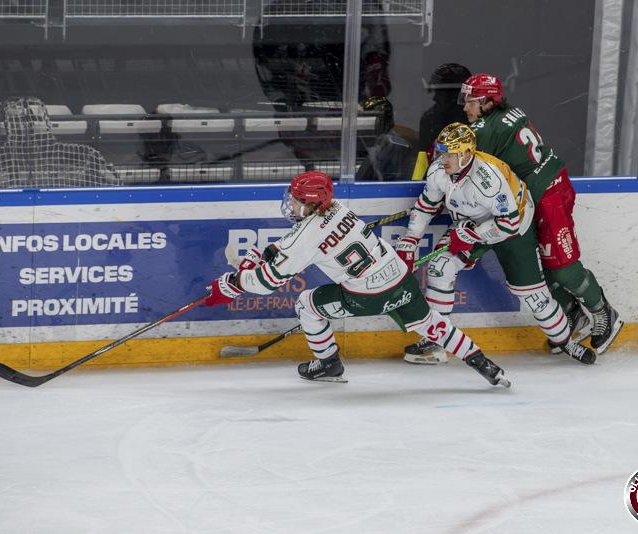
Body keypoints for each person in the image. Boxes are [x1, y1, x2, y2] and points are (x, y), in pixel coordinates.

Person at [203, 170, 510, 387]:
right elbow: (302, 242)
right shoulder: (339, 209)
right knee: (431, 323)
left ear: (311, 204)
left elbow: (269, 281)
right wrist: (275, 250)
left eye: (297, 200)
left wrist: (228, 286)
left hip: (366, 297)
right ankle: (484, 363)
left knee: (306, 304)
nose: (291, 205)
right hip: (401, 280)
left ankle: (329, 364)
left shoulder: (305, 236)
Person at [395, 122, 596, 365]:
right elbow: (426, 205)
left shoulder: (488, 179)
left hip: (514, 229)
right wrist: (410, 240)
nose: (442, 159)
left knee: (533, 295)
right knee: (440, 267)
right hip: (471, 224)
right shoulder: (439, 170)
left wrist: (470, 235)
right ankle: (437, 342)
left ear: (467, 154)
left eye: (450, 154)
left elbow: (508, 224)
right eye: (441, 152)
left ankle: (566, 342)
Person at [458, 73, 623, 356]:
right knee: (538, 266)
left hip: (549, 194)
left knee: (559, 264)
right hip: (534, 194)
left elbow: (468, 170)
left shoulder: (484, 131)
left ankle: (605, 313)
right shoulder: (510, 111)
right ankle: (573, 314)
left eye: (471, 102)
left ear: (487, 102)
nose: (465, 108)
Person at [410, 62, 472, 180]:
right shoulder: (430, 119)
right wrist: (416, 185)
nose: (434, 98)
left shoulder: (476, 120)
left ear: (454, 94)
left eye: (439, 92)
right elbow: (423, 158)